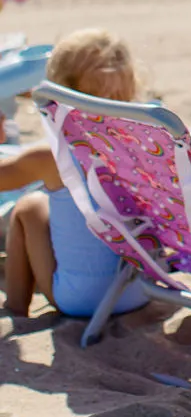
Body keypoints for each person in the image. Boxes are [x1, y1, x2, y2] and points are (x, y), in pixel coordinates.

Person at [0, 29, 150, 318]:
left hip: (81, 300)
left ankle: (16, 307)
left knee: (30, 207)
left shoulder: (52, 157)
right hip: (139, 290)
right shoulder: (145, 149)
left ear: (55, 91)